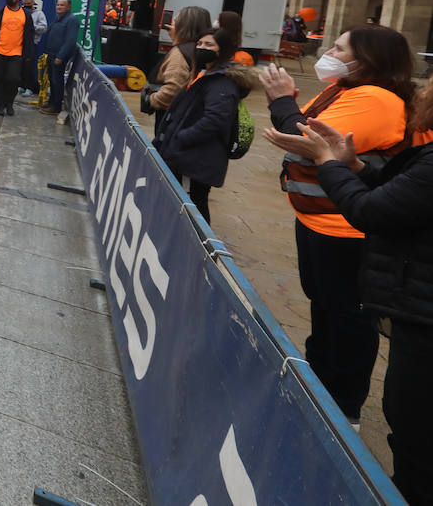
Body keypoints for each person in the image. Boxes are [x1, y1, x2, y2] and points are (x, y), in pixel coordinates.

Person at [263, 86, 433, 505]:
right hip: (411, 303)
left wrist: (329, 164)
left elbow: (373, 211)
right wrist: (355, 164)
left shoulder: (378, 102)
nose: (423, 88)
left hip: (422, 313)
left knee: (414, 431)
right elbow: (403, 195)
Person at [258, 26, 413, 429]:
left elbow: (304, 135)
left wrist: (281, 101)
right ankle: (319, 383)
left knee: (347, 315)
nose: (329, 51)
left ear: (366, 60)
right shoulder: (345, 89)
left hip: (346, 228)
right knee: (323, 304)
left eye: (339, 47)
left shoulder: (376, 99)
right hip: (320, 219)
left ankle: (343, 406)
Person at [151, 28, 252, 224]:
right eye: (199, 44)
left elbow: (214, 120)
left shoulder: (222, 84)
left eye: (209, 45)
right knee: (186, 199)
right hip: (189, 152)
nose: (201, 48)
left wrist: (183, 137)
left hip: (198, 155)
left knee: (196, 201)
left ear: (221, 50)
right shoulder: (206, 73)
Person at [145, 5, 212, 129]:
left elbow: (173, 88)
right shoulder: (197, 49)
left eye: (176, 20)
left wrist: (152, 99)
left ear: (184, 26)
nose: (172, 22)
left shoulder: (179, 53)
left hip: (170, 115)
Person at [42, 0, 80, 119]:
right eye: (58, 5)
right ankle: (51, 102)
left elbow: (70, 41)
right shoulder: (58, 18)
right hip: (51, 54)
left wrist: (61, 56)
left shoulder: (72, 20)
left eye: (62, 5)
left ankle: (56, 106)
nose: (59, 7)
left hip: (59, 57)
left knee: (57, 81)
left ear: (68, 7)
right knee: (52, 80)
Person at [19, 0, 48, 98]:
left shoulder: (39, 13)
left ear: (33, 3)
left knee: (29, 66)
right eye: (25, 3)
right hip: (20, 42)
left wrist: (32, 26)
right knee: (20, 65)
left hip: (32, 42)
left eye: (28, 4)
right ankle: (21, 85)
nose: (26, 5)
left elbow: (44, 28)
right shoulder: (20, 11)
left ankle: (29, 88)